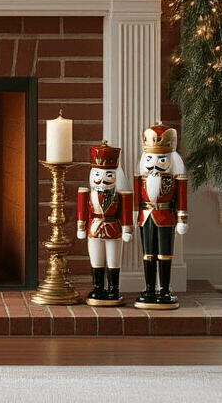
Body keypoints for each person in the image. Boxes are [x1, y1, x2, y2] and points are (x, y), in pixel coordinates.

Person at [133, 122, 188, 309]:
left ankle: (164, 289)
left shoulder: (175, 178)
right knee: (148, 254)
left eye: (161, 160)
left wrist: (182, 218)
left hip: (165, 216)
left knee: (165, 255)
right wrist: (133, 215)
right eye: (150, 159)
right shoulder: (140, 177)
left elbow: (181, 197)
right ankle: (149, 289)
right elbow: (135, 199)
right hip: (146, 216)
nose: (154, 164)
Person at [76, 142, 132, 305]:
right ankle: (98, 287)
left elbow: (125, 212)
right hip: (94, 230)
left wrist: (127, 229)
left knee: (114, 260)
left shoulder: (120, 195)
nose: (103, 179)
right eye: (98, 175)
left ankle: (114, 289)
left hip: (114, 229)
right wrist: (81, 226)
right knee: (96, 259)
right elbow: (83, 211)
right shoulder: (87, 194)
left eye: (109, 175)